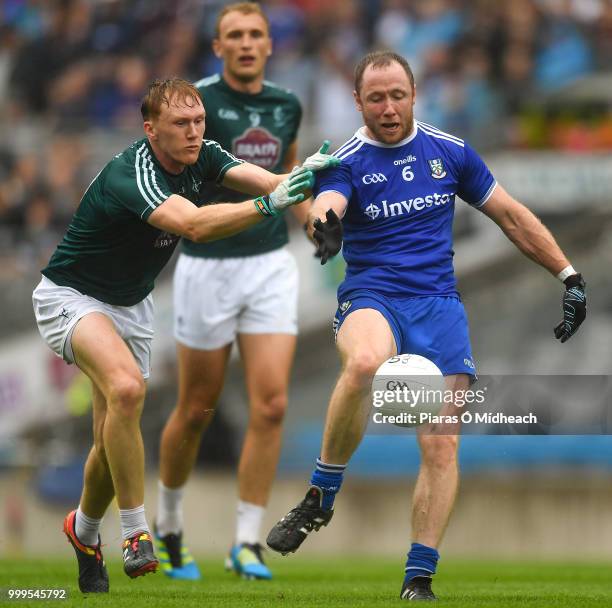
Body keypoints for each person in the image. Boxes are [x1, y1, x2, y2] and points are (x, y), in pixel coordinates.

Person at [266, 51, 587, 601]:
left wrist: (569, 274)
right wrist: (326, 226)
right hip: (373, 296)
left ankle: (419, 577)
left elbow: (510, 215)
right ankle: (321, 494)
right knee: (364, 362)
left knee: (441, 445)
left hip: (439, 307)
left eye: (397, 95)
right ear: (357, 101)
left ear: (414, 94)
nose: (388, 108)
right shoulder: (347, 160)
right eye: (375, 98)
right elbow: (328, 202)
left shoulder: (451, 152)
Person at [32, 77, 337, 594]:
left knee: (112, 438)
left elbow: (263, 180)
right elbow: (193, 225)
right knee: (128, 389)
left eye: (199, 120)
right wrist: (272, 203)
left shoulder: (202, 154)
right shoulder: (135, 172)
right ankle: (136, 533)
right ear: (151, 129)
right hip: (71, 297)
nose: (195, 131)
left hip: (131, 307)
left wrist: (302, 180)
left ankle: (84, 533)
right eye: (181, 124)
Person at [155, 2, 307, 581]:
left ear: (270, 44)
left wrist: (315, 221)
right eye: (234, 36)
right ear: (217, 47)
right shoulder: (195, 103)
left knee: (271, 405)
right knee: (196, 409)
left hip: (270, 264)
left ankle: (246, 542)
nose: (246, 43)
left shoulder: (287, 105)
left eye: (256, 34)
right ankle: (168, 526)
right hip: (207, 264)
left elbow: (289, 176)